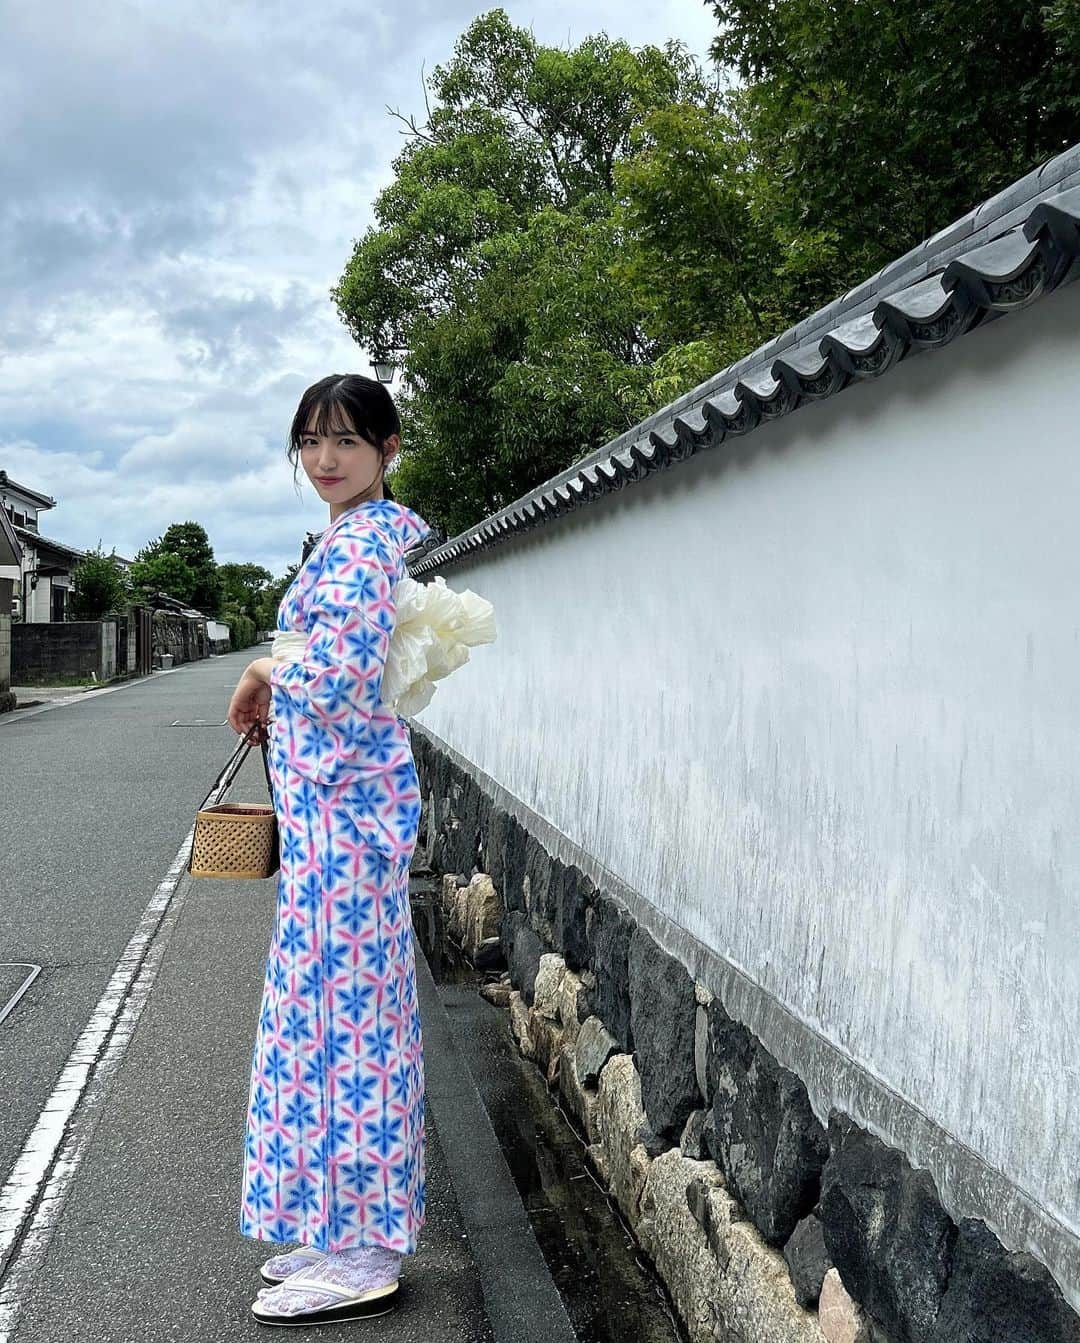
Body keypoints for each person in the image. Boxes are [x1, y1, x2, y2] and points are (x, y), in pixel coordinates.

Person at [227, 373, 434, 1326]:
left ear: (389, 448)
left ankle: (367, 1250)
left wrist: (266, 665)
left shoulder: (362, 544)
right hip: (337, 825)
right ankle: (342, 1222)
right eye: (309, 441)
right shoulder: (357, 537)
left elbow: (343, 669)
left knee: (349, 1034)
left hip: (346, 829)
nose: (324, 459)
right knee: (331, 1027)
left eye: (346, 440)